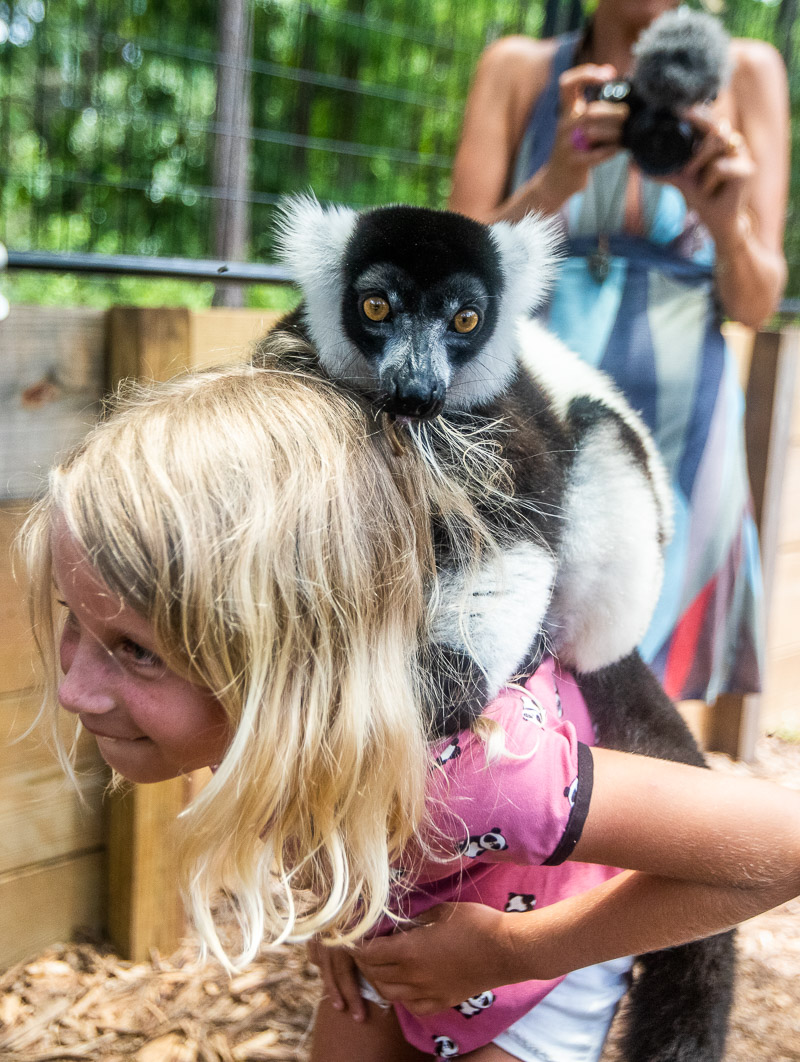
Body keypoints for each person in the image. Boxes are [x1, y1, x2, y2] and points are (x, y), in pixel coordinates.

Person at [21, 360, 800, 1061]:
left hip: (533, 952)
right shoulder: (276, 714)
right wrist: (349, 907)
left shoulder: (473, 771)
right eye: (74, 621)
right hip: (400, 913)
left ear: (295, 663)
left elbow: (782, 846)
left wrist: (514, 951)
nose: (73, 691)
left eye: (135, 649)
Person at [447, 0, 789, 704]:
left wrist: (728, 227)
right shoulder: (519, 71)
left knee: (643, 698)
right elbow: (450, 269)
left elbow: (756, 303)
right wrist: (554, 185)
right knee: (519, 675)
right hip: (534, 427)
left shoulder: (750, 72)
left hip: (684, 434)